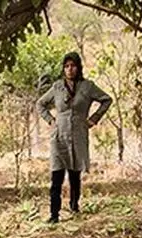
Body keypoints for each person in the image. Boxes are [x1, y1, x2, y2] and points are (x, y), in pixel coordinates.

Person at [36, 51, 112, 224]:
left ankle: (74, 206)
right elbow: (40, 104)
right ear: (64, 69)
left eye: (73, 66)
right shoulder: (57, 87)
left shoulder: (88, 86)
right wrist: (50, 120)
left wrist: (94, 119)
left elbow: (107, 100)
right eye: (67, 66)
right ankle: (54, 214)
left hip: (78, 133)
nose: (70, 69)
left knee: (74, 174)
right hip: (59, 136)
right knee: (56, 175)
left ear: (79, 67)